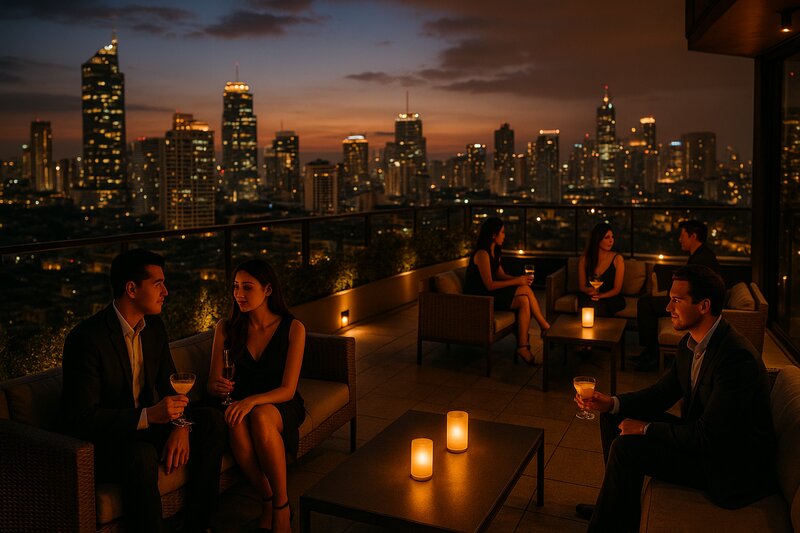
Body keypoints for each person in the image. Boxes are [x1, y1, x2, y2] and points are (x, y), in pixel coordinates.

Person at [575, 265, 776, 532]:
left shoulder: (735, 359)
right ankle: (614, 503)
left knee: (627, 448)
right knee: (613, 417)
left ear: (704, 306)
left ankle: (607, 524)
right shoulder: (691, 343)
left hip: (726, 465)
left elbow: (708, 437)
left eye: (677, 300)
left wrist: (646, 429)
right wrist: (611, 402)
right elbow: (661, 394)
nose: (668, 307)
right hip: (703, 440)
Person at [61, 249, 226, 533]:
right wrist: (149, 416)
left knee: (211, 420)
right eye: (158, 283)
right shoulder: (87, 339)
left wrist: (181, 426)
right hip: (106, 440)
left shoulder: (154, 328)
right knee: (141, 453)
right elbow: (82, 417)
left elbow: (169, 387)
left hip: (147, 425)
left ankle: (198, 526)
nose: (166, 291)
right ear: (132, 289)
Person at [207, 259, 305, 533]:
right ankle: (270, 501)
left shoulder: (293, 328)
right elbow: (211, 384)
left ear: (268, 290)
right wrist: (219, 387)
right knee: (235, 419)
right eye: (236, 287)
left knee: (260, 415)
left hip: (279, 403)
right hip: (239, 404)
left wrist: (251, 401)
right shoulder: (226, 328)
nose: (239, 294)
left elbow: (288, 389)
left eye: (247, 287)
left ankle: (281, 508)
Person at [635, 220, 722, 371]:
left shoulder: (702, 260)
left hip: (692, 303)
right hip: (692, 300)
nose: (679, 239)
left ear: (693, 236)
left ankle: (651, 354)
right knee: (647, 302)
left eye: (682, 235)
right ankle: (650, 352)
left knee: (645, 303)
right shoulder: (701, 255)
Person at [463, 217, 550, 364]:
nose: (505, 235)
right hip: (480, 298)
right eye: (502, 232)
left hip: (491, 294)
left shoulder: (495, 251)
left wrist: (519, 278)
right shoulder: (482, 254)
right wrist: (517, 282)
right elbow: (489, 285)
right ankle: (544, 326)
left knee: (523, 300)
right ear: (493, 235)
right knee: (525, 290)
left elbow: (500, 275)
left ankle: (523, 346)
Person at [578, 222, 625, 317]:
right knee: (587, 305)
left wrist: (601, 296)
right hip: (591, 296)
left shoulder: (618, 259)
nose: (611, 241)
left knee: (597, 306)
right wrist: (590, 290)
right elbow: (582, 286)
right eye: (607, 238)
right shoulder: (585, 259)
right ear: (597, 239)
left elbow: (617, 289)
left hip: (610, 297)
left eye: (612, 237)